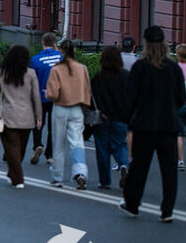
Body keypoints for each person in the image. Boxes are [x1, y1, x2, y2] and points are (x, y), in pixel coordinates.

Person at [120, 26, 186, 222]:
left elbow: (130, 97)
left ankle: (132, 205)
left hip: (144, 125)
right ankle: (167, 210)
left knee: (139, 168)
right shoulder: (173, 67)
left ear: (146, 43)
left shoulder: (140, 67)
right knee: (169, 171)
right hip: (168, 125)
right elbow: (182, 98)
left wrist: (130, 119)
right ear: (164, 43)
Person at [0, 45, 42, 188]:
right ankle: (14, 174)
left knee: (11, 148)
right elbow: (36, 96)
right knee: (21, 148)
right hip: (27, 117)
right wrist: (39, 116)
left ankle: (17, 178)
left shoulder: (2, 72)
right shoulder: (31, 74)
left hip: (8, 116)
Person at [46, 40, 92, 189]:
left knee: (58, 144)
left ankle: (57, 177)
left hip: (60, 108)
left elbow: (53, 94)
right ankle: (80, 173)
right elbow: (87, 90)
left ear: (62, 52)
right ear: (74, 51)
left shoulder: (56, 69)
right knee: (77, 142)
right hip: (78, 108)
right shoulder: (82, 68)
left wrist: (48, 94)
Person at [90, 46, 131, 189]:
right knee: (120, 144)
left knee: (102, 149)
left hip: (102, 118)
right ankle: (124, 164)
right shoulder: (126, 76)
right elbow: (130, 98)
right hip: (121, 118)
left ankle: (105, 180)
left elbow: (92, 97)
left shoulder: (98, 77)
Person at [29, 32, 62, 165]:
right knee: (52, 127)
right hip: (56, 98)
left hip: (40, 97)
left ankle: (38, 144)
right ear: (54, 43)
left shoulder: (35, 60)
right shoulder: (60, 57)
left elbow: (31, 79)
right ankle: (50, 154)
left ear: (43, 43)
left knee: (38, 122)